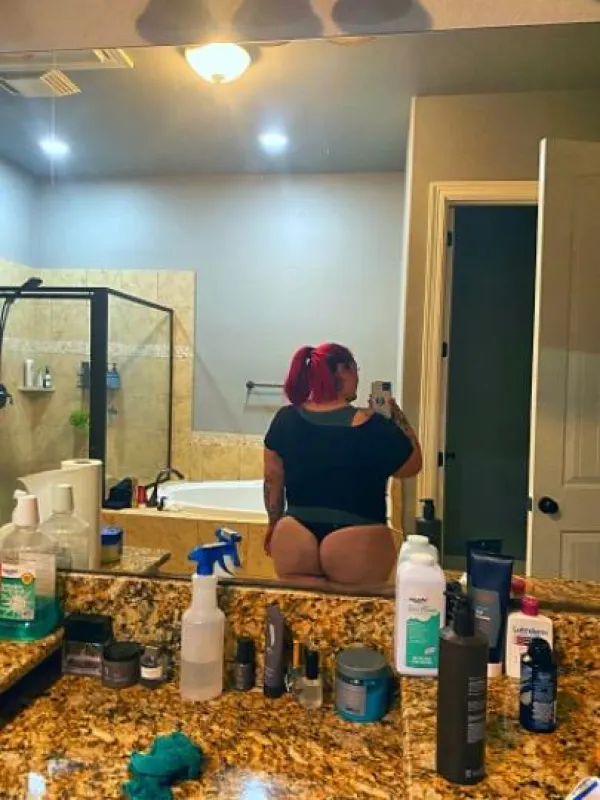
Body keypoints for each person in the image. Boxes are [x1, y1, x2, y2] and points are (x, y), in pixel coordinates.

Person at [263, 343, 422, 588]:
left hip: (294, 534)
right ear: (343, 370)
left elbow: (272, 478)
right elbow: (412, 466)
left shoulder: (285, 419)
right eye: (355, 369)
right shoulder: (375, 426)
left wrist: (273, 524)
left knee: (301, 609)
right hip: (357, 542)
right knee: (353, 612)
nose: (358, 376)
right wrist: (396, 415)